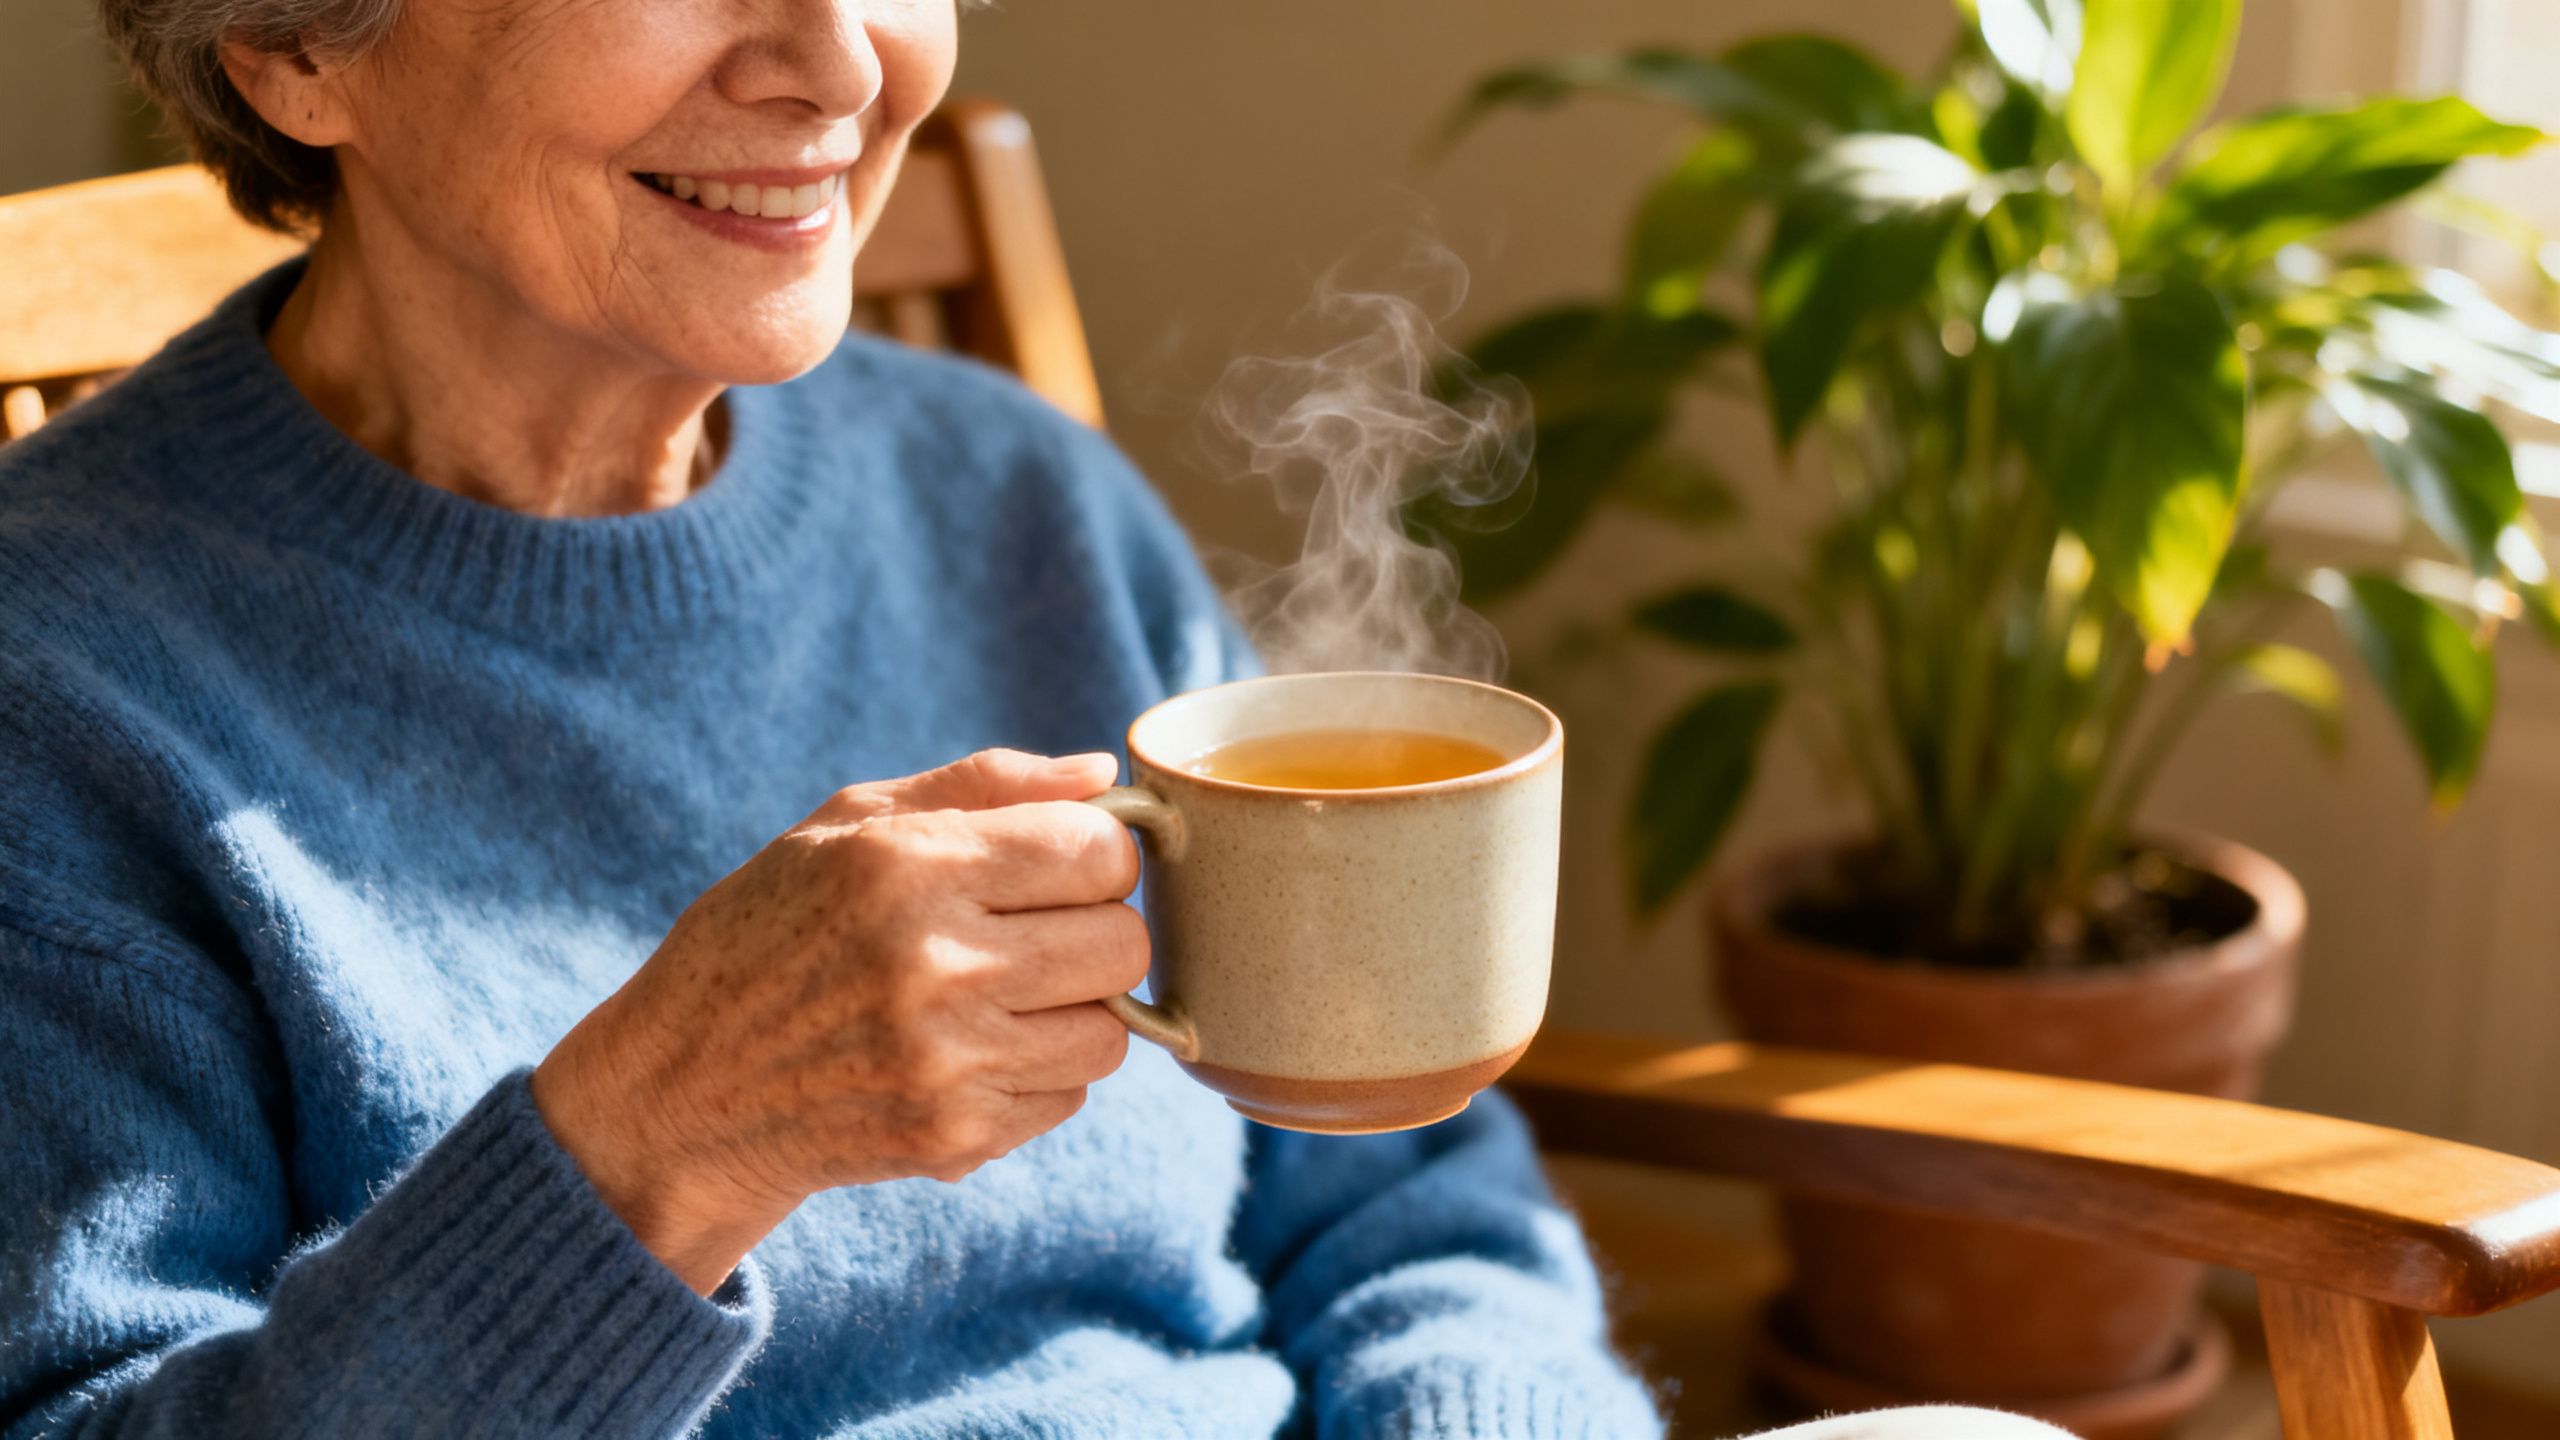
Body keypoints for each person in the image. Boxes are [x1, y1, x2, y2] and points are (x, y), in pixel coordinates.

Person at [0, 0, 2078, 1435]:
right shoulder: (70, 688)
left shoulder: (1011, 500)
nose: (833, 59)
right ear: (287, 42)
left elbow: (1392, 1181)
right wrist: (648, 1148)